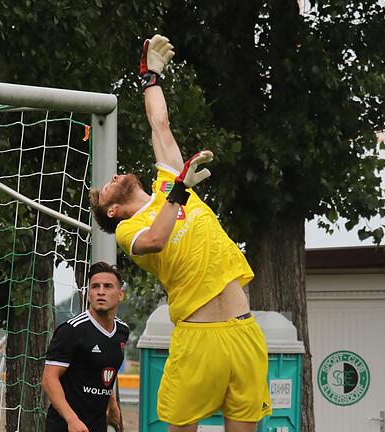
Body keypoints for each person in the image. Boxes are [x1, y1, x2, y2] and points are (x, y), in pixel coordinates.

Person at [89, 34, 271, 432]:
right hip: (197, 339)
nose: (114, 177)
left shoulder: (166, 184)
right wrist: (180, 190)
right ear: (113, 210)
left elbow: (161, 124)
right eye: (105, 189)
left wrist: (150, 76)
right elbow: (156, 239)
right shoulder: (130, 231)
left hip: (244, 330)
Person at [42, 262, 129, 432]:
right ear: (89, 295)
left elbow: (104, 369)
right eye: (95, 286)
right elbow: (49, 379)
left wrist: (112, 405)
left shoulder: (122, 331)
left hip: (97, 425)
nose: (101, 291)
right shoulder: (71, 330)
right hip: (66, 426)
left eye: (108, 286)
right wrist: (71, 420)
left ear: (120, 295)